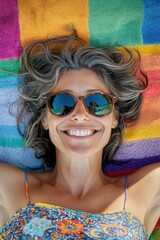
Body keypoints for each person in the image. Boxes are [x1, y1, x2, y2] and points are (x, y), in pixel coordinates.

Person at [0, 29, 159, 239]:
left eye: (98, 103)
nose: (80, 115)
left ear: (114, 117)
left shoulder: (148, 185)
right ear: (45, 118)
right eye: (62, 103)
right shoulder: (6, 184)